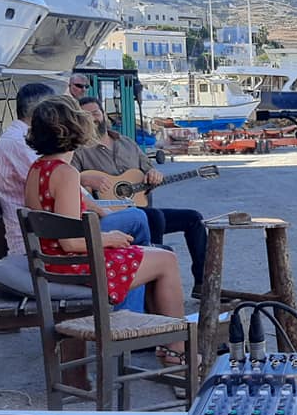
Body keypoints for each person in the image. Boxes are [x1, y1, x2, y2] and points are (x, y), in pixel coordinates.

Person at [24, 95, 187, 364]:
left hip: (52, 263)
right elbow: (70, 243)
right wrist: (108, 238)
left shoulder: (38, 168)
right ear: (73, 129)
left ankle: (160, 339)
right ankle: (176, 352)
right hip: (73, 267)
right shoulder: (65, 174)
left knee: (153, 253)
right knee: (166, 260)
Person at [0, 84, 152, 312]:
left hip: (49, 244)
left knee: (139, 230)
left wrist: (102, 213)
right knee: (140, 228)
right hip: (56, 253)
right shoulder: (29, 150)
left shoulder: (38, 163)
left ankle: (137, 308)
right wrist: (108, 236)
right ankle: (131, 314)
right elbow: (69, 239)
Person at [71, 97, 207, 292]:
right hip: (109, 216)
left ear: (104, 114)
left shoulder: (127, 143)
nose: (93, 119)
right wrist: (84, 178)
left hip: (140, 209)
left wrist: (153, 175)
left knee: (194, 218)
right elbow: (68, 180)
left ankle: (202, 284)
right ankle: (154, 283)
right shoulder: (79, 151)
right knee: (154, 216)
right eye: (87, 115)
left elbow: (148, 170)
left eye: (96, 113)